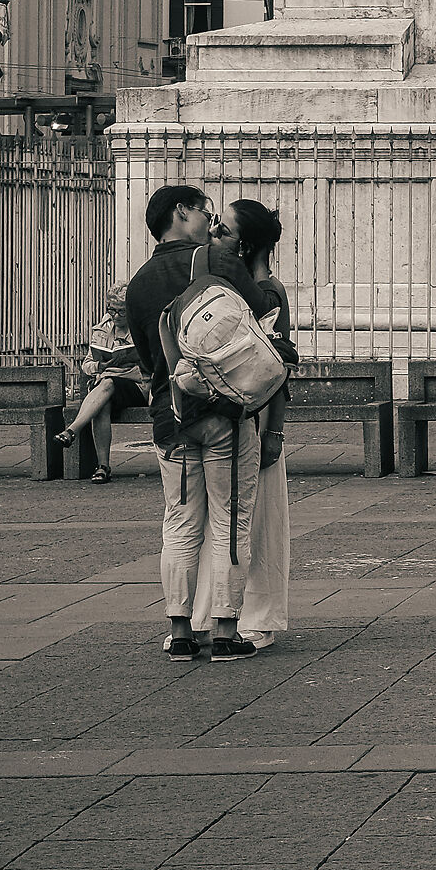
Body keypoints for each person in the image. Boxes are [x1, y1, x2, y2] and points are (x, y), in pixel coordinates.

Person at [125, 185, 298, 662]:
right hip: (222, 413)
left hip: (171, 415)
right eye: (205, 211)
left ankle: (180, 629)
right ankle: (224, 628)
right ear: (182, 212)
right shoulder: (217, 262)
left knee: (178, 524)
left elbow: (148, 361)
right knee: (228, 520)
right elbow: (259, 323)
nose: (210, 220)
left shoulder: (137, 284)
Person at [192, 199, 291, 652]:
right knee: (227, 524)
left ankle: (257, 616)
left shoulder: (266, 291)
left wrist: (274, 432)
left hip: (258, 417)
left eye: (223, 229)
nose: (213, 232)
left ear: (244, 243)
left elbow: (276, 369)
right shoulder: (228, 284)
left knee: (258, 524)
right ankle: (221, 611)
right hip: (229, 419)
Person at [57, 282, 148, 483]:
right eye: (111, 310)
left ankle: (72, 430)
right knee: (103, 399)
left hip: (136, 384)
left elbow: (153, 363)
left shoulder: (142, 325)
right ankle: (103, 467)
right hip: (108, 384)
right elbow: (86, 365)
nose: (115, 316)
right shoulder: (102, 328)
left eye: (121, 312)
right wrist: (100, 365)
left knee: (106, 384)